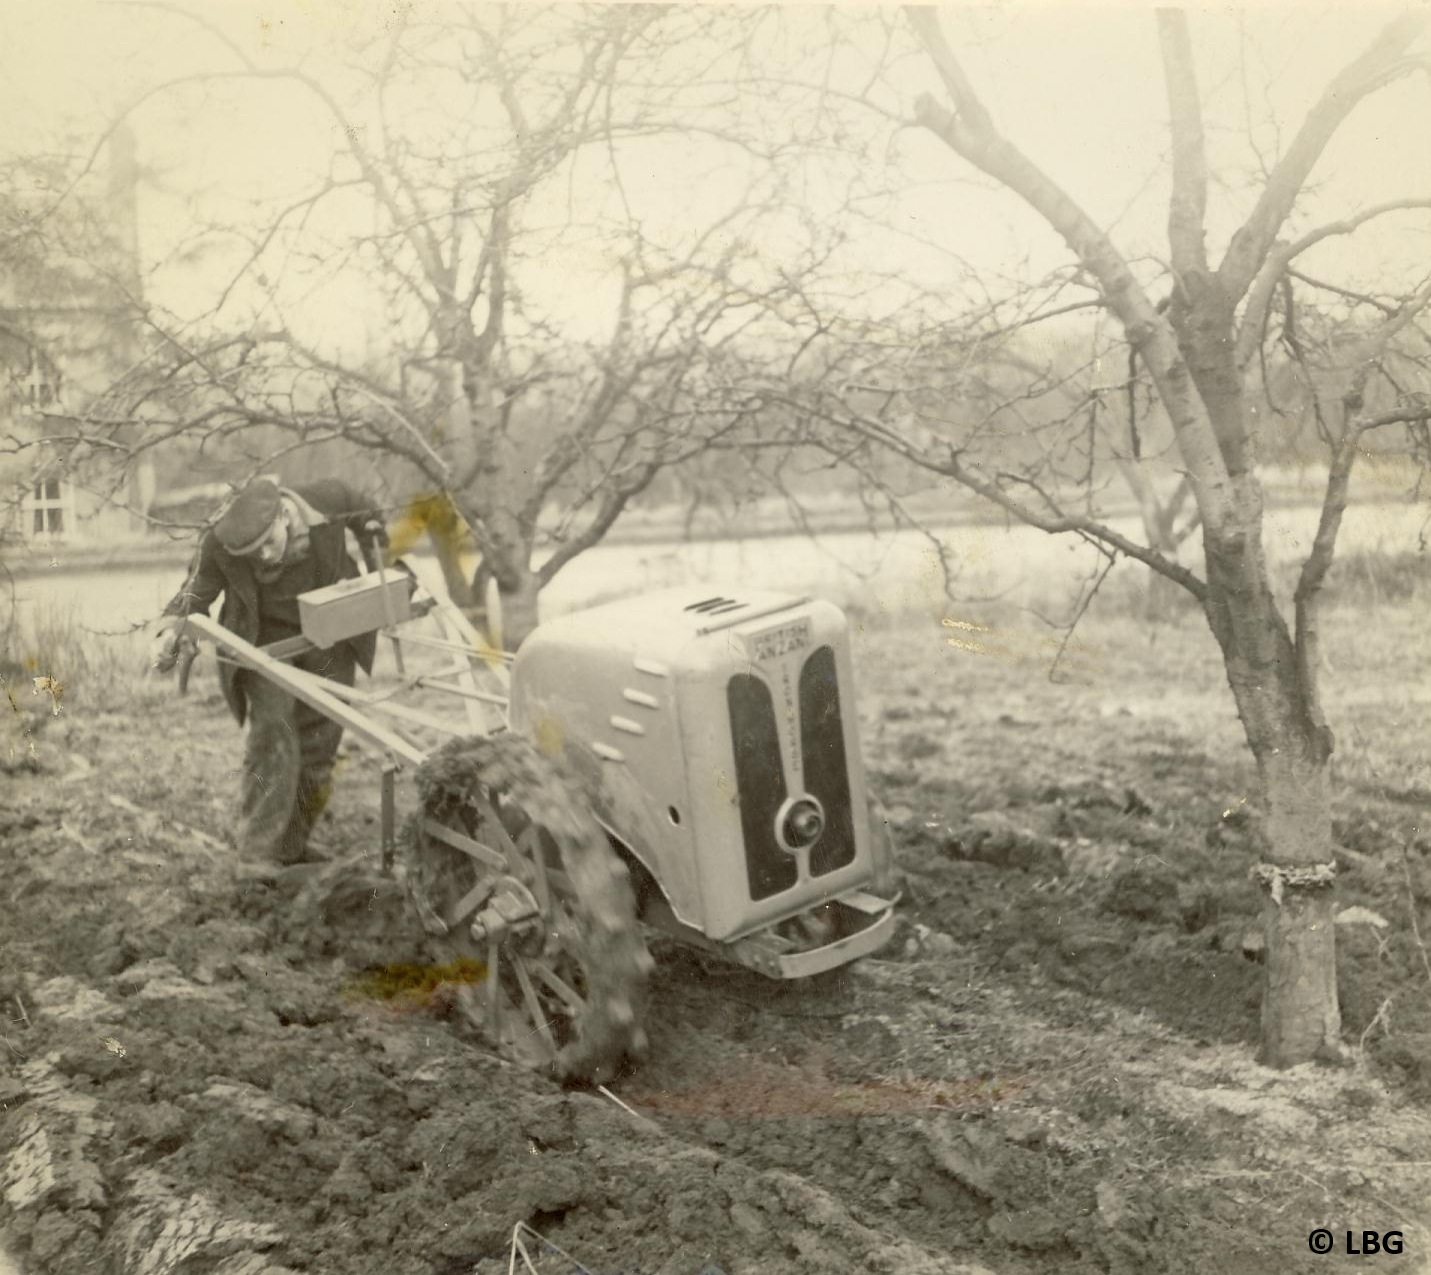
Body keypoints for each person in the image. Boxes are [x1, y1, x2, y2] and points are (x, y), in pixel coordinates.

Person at [149, 476, 397, 866]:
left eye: (268, 542)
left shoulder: (331, 498)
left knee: (320, 745)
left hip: (331, 632)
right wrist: (172, 630)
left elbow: (372, 524)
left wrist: (386, 570)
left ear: (284, 513)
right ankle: (257, 858)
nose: (264, 556)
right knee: (275, 737)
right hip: (264, 643)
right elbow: (197, 589)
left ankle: (292, 847)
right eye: (252, 552)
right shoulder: (219, 540)